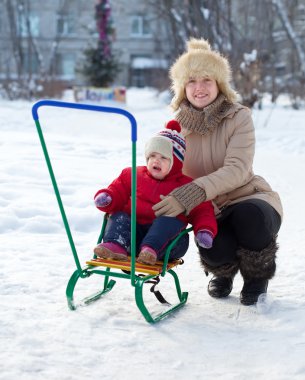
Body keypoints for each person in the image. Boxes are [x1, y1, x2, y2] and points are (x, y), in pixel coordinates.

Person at [152, 38, 283, 305]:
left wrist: (190, 193)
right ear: (182, 88)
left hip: (247, 196)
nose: (199, 88)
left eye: (207, 80)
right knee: (213, 245)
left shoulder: (238, 117)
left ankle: (257, 278)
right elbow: (165, 169)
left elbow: (236, 169)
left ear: (219, 84)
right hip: (207, 208)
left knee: (250, 217)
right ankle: (224, 275)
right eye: (191, 81)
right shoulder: (174, 126)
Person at [93, 120, 217, 265]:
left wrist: (204, 230)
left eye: (163, 157)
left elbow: (202, 210)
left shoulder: (186, 186)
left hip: (168, 244)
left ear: (176, 162)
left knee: (167, 221)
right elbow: (117, 190)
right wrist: (108, 198)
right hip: (132, 237)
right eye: (152, 156)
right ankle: (116, 245)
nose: (155, 161)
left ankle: (149, 251)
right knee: (119, 215)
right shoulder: (132, 174)